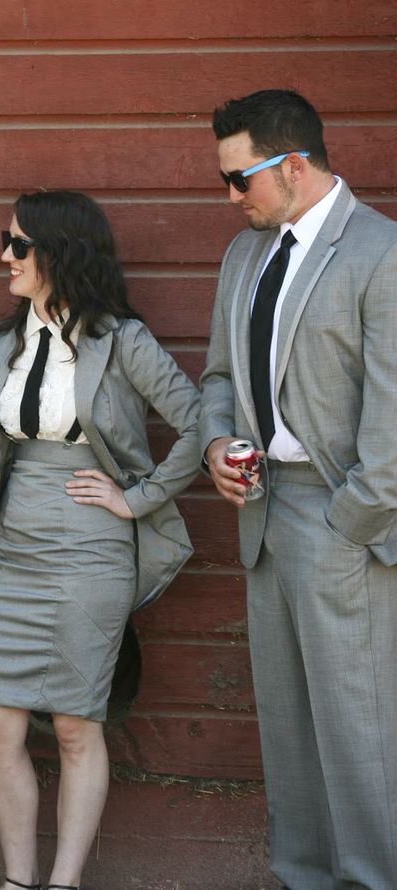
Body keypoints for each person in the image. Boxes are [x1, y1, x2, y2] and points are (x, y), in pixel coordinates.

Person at [0, 191, 200, 890]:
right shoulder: (6, 340)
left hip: (91, 551)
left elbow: (200, 423)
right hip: (15, 552)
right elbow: (9, 442)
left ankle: (62, 883)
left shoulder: (119, 339)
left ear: (60, 253)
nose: (5, 257)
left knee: (78, 725)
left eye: (18, 245)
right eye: (6, 242)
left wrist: (136, 498)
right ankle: (18, 881)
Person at [200, 89, 397, 889]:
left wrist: (353, 519)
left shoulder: (380, 251)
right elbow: (218, 376)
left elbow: (394, 419)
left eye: (239, 179)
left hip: (342, 516)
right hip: (262, 512)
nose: (230, 196)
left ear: (291, 165)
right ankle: (307, 877)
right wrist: (216, 443)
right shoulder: (244, 254)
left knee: (360, 731)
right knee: (288, 729)